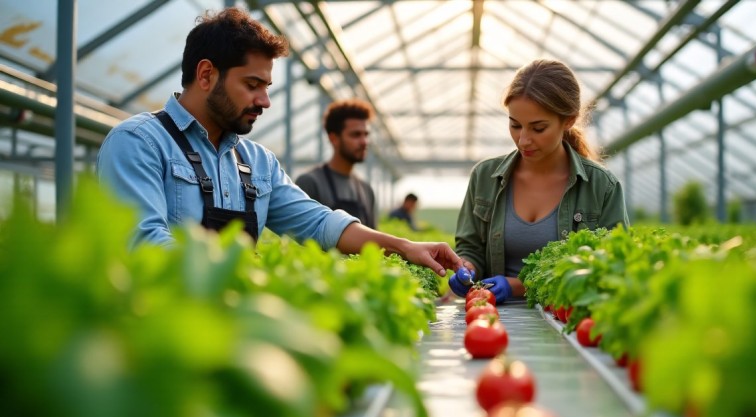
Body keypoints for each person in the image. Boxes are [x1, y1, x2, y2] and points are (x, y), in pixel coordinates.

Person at [96, 7, 461, 277]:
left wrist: (403, 246)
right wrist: (259, 284)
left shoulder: (257, 162)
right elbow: (144, 243)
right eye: (252, 85)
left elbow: (320, 224)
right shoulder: (139, 143)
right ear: (206, 74)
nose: (264, 101)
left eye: (266, 88)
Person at [449, 59, 629, 304]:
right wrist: (467, 267)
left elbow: (608, 268)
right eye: (515, 125)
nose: (523, 140)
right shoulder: (484, 177)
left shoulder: (601, 186)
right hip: (490, 318)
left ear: (568, 120)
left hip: (567, 320)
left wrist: (519, 286)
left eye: (538, 128)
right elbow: (470, 247)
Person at [295, 99, 377, 228]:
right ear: (334, 139)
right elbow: (296, 238)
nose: (364, 142)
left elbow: (373, 244)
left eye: (366, 134)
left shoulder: (366, 189)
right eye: (356, 135)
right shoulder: (310, 182)